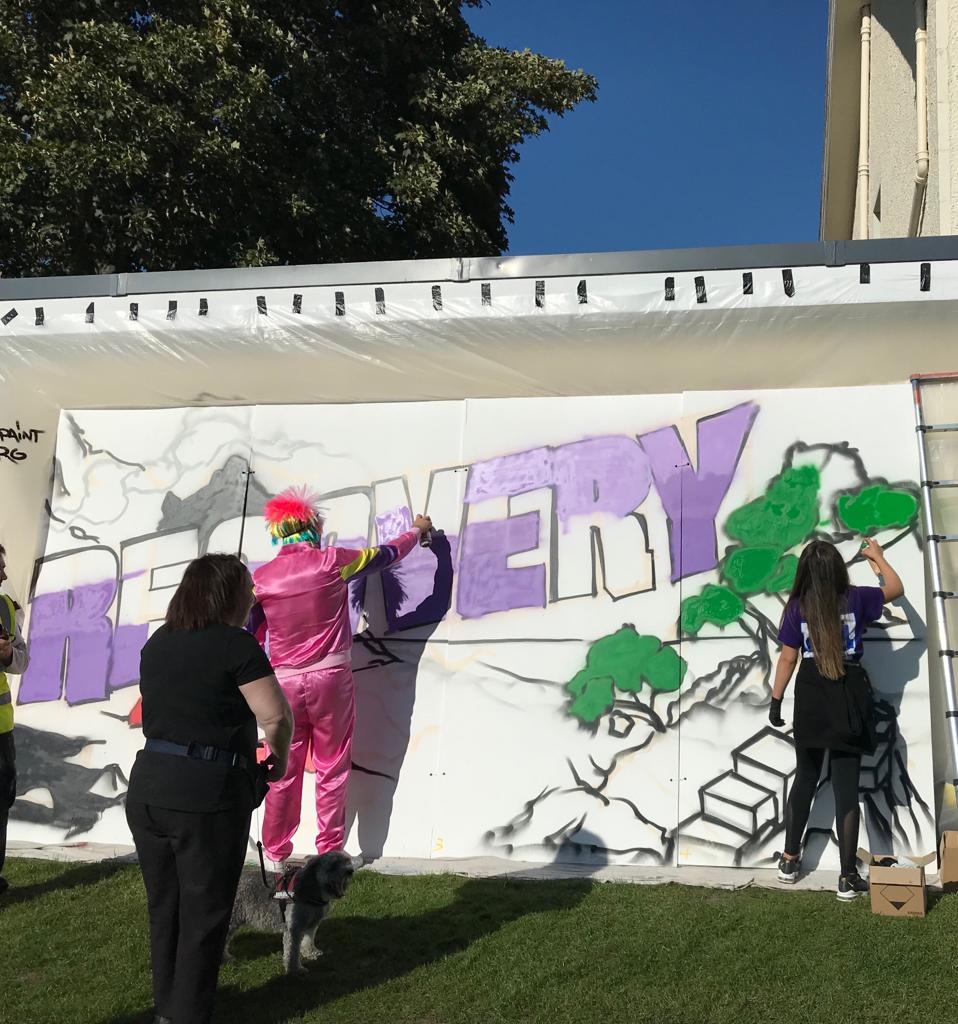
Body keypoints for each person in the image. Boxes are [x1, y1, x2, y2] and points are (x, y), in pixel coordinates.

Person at [126, 553, 293, 1024]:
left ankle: (168, 1008)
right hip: (207, 796)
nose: (252, 597)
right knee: (204, 913)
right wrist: (279, 761)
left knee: (166, 907)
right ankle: (188, 1015)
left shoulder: (157, 643)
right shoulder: (235, 645)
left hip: (149, 788)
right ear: (229, 594)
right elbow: (276, 716)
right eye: (247, 588)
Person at [249, 487, 431, 871]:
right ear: (313, 526)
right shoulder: (332, 561)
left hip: (283, 685)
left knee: (282, 768)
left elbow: (250, 634)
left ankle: (276, 853)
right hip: (331, 678)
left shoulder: (261, 580)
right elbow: (386, 554)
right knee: (332, 765)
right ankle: (329, 851)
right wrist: (416, 531)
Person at [769, 537, 903, 900]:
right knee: (847, 789)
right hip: (848, 691)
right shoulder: (856, 597)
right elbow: (894, 588)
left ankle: (789, 860)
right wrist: (877, 557)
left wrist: (776, 701)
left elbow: (786, 659)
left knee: (805, 778)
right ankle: (846, 878)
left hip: (811, 693)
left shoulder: (797, 606)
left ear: (805, 572)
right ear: (837, 569)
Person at [0, 542, 29, 898]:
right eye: (0, 567)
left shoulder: (6, 607)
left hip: (2, 730)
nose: (5, 574)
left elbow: (23, 661)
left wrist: (8, 654)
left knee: (2, 802)